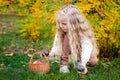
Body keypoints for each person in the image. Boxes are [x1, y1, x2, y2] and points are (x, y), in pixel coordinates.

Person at [49, 4, 99, 75]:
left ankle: (78, 61)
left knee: (93, 61)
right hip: (67, 48)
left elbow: (86, 47)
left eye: (64, 24)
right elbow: (57, 41)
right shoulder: (62, 30)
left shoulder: (82, 32)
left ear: (74, 24)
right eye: (59, 23)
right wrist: (53, 52)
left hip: (79, 50)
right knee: (67, 36)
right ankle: (64, 63)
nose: (60, 26)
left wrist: (83, 63)